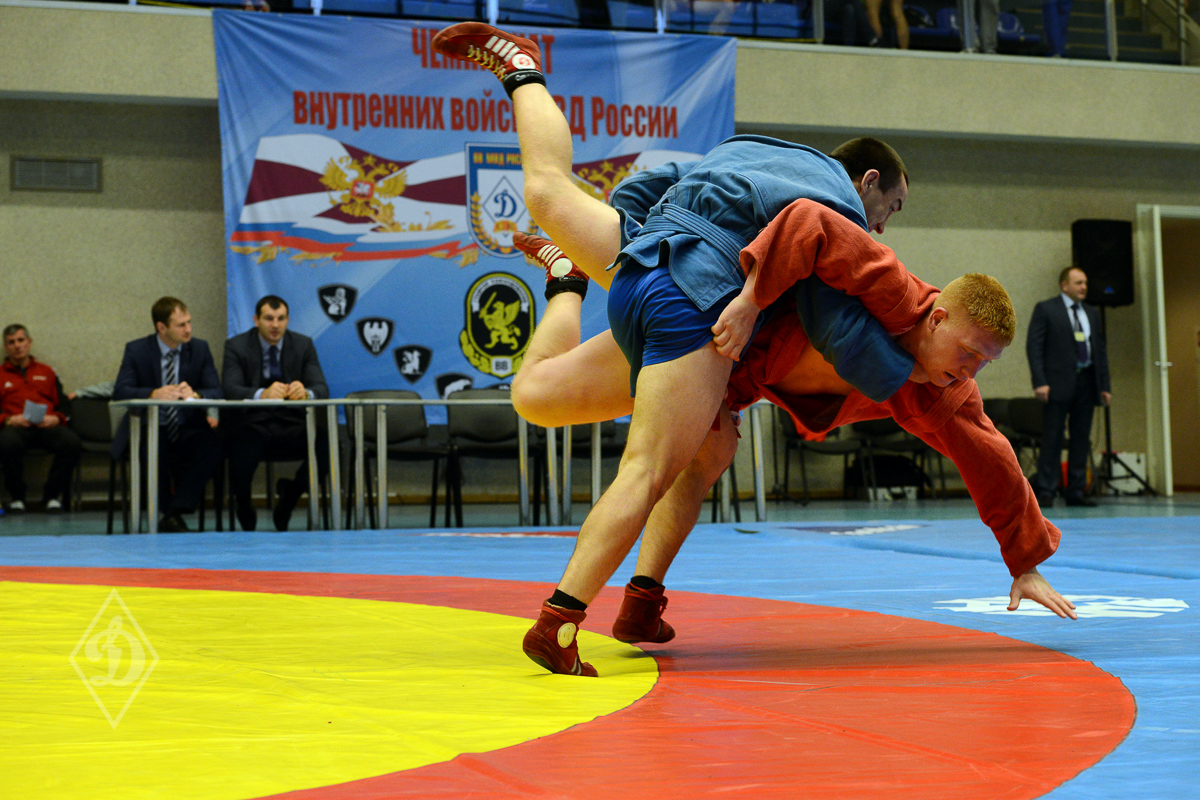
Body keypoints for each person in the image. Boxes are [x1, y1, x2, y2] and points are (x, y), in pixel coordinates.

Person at [433, 24, 1073, 680]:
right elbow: (807, 230)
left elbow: (988, 453)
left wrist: (1025, 560)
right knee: (652, 464)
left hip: (667, 271)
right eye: (891, 207)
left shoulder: (765, 160)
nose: (885, 225)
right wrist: (748, 298)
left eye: (981, 365)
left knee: (554, 390)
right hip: (704, 300)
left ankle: (561, 260)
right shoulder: (872, 264)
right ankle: (561, 620)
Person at [113, 297, 224, 533]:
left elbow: (217, 390)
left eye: (189, 322)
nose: (188, 329)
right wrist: (153, 393)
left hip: (187, 425)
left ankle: (174, 511)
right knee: (151, 449)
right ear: (161, 328)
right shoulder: (137, 350)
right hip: (151, 425)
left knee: (213, 447)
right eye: (181, 325)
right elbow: (121, 390)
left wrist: (196, 394)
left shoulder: (200, 349)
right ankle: (168, 513)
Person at [222, 295, 330, 532]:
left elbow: (322, 388)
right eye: (269, 319)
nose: (275, 325)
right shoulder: (237, 346)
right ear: (256, 320)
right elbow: (230, 389)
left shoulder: (302, 345)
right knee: (240, 447)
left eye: (281, 319)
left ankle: (291, 495)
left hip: (291, 423)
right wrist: (262, 394)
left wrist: (306, 392)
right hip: (253, 424)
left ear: (287, 320)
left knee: (326, 445)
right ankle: (243, 505)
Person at [1026, 266, 1111, 508]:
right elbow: (1034, 346)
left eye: (1085, 283)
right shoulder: (1046, 309)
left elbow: (1100, 351)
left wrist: (1104, 385)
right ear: (1064, 285)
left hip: (1086, 382)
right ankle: (1047, 490)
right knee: (1052, 437)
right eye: (1078, 283)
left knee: (1081, 438)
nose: (1084, 287)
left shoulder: (1091, 313)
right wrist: (1040, 381)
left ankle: (1075, 491)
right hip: (1056, 383)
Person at [0, 324, 81, 513]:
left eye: (21, 340)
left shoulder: (47, 371)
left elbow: (64, 404)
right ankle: (17, 498)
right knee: (6, 442)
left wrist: (57, 419)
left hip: (47, 426)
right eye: (11, 342)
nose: (17, 346)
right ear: (6, 347)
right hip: (16, 427)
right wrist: (9, 420)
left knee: (72, 442)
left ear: (29, 343)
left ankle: (51, 497)